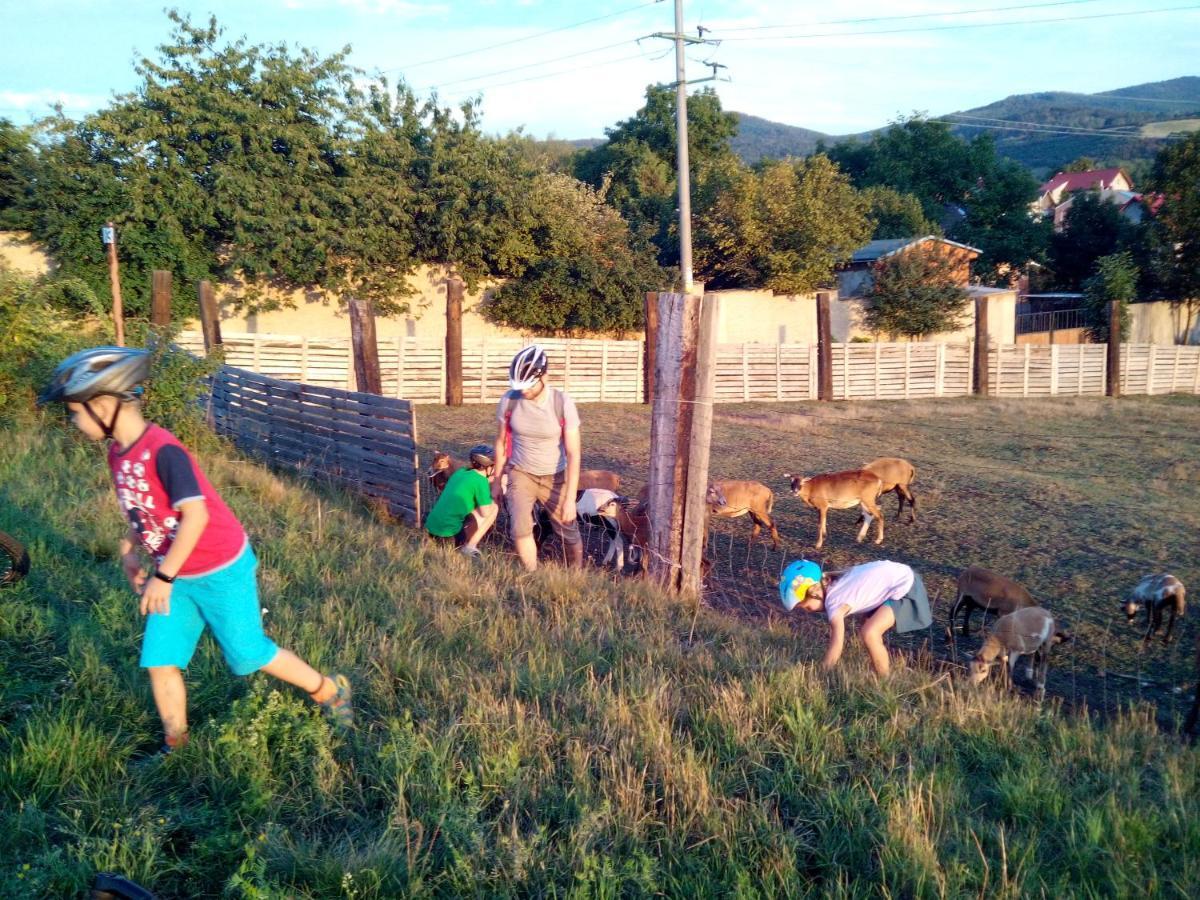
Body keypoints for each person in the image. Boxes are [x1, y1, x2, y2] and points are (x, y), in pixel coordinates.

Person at [38, 346, 353, 754]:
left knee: (248, 655)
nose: (74, 421)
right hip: (174, 574)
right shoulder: (118, 453)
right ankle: (177, 747)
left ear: (101, 404)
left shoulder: (164, 450)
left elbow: (196, 517)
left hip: (219, 567)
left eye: (75, 412)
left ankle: (329, 690)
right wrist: (130, 549)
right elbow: (141, 507)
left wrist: (162, 576)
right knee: (160, 659)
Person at [491, 344, 583, 571]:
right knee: (520, 528)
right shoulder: (509, 401)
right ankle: (533, 575)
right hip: (521, 472)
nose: (524, 391)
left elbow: (573, 453)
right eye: (519, 386)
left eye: (529, 386)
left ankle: (578, 573)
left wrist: (570, 499)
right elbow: (501, 442)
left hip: (555, 476)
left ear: (545, 377)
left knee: (568, 530)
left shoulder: (562, 403)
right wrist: (496, 481)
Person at [780, 558, 931, 676]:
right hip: (901, 576)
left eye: (806, 606)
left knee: (869, 633)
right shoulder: (834, 583)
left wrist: (822, 671)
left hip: (905, 587)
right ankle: (876, 669)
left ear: (815, 592)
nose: (807, 611)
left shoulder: (834, 602)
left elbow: (837, 643)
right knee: (866, 626)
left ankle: (884, 681)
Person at [424, 444, 498, 557]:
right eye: (493, 465)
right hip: (448, 536)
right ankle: (469, 547)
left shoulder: (461, 472)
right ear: (488, 466)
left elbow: (473, 482)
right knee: (493, 507)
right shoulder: (481, 482)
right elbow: (485, 513)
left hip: (432, 529)